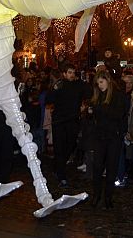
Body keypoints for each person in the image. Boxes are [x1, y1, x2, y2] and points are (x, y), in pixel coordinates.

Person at [47, 64, 92, 188]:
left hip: (72, 121)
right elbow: (48, 99)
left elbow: (89, 93)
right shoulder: (60, 84)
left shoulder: (79, 85)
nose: (72, 75)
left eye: (73, 72)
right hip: (59, 122)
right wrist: (54, 89)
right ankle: (61, 176)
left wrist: (86, 82)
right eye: (70, 72)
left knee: (71, 145)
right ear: (64, 73)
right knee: (59, 147)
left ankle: (58, 167)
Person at [89, 70, 128, 209]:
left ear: (108, 81)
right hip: (100, 136)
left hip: (113, 137)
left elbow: (119, 114)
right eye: (98, 83)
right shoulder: (97, 96)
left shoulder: (118, 96)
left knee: (112, 167)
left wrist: (101, 109)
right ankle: (96, 194)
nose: (99, 85)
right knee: (97, 166)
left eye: (102, 81)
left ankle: (108, 196)